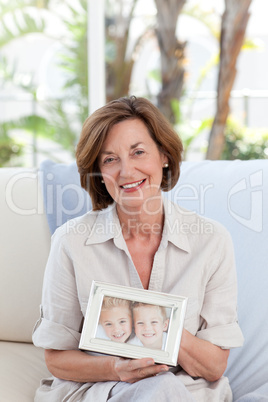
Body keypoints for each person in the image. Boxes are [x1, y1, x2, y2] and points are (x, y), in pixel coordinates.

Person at [32, 96, 244, 401]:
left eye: (138, 152)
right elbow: (56, 358)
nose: (127, 171)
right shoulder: (71, 242)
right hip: (102, 390)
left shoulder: (212, 241)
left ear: (165, 156)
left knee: (164, 388)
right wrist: (116, 368)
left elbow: (213, 367)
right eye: (110, 159)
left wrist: (156, 327)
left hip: (183, 392)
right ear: (100, 175)